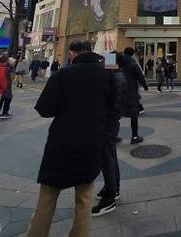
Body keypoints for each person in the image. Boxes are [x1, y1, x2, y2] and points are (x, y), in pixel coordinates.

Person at [28, 40, 115, 237]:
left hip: (61, 141)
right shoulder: (107, 74)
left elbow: (44, 109)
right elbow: (115, 105)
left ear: (72, 54)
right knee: (84, 198)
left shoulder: (62, 75)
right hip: (92, 140)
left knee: (48, 196)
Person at [92, 53, 126, 217]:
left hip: (108, 124)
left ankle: (109, 197)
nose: (103, 63)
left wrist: (106, 121)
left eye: (107, 60)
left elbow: (114, 104)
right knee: (110, 156)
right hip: (110, 123)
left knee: (107, 158)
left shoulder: (116, 78)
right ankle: (112, 188)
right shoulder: (114, 76)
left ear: (115, 63)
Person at [120, 47, 149, 144]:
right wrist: (145, 86)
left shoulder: (118, 62)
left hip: (118, 91)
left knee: (116, 115)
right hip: (131, 92)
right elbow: (140, 76)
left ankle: (112, 136)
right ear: (133, 54)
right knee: (134, 116)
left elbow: (108, 70)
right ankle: (135, 137)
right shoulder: (133, 64)